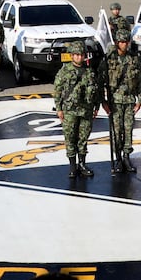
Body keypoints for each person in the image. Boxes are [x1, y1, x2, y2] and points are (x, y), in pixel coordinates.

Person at [98, 29, 141, 174]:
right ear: (117, 43)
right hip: (114, 101)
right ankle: (118, 158)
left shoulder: (133, 59)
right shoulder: (108, 60)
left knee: (128, 130)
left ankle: (127, 157)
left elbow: (138, 81)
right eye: (122, 42)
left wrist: (139, 99)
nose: (124, 44)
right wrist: (103, 102)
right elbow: (100, 82)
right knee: (117, 131)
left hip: (129, 100)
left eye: (126, 42)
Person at [52, 40, 98, 179]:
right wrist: (59, 109)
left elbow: (95, 91)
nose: (79, 57)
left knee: (83, 138)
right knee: (70, 137)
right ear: (72, 56)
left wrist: (96, 107)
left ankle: (82, 164)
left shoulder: (89, 71)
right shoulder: (64, 71)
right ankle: (72, 166)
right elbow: (58, 91)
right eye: (76, 55)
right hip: (70, 110)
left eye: (81, 55)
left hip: (86, 110)